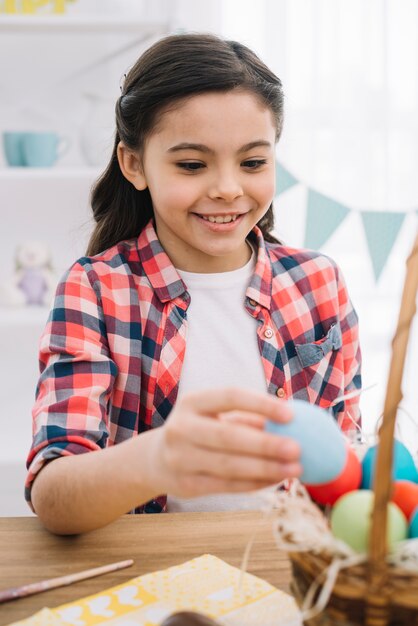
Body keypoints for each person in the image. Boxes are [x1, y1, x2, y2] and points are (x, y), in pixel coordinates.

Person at [26, 33, 361, 535]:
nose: (228, 188)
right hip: (149, 583)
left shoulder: (319, 282)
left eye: (252, 162)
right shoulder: (95, 289)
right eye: (191, 164)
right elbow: (54, 495)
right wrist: (158, 458)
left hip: (288, 572)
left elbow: (345, 465)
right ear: (134, 164)